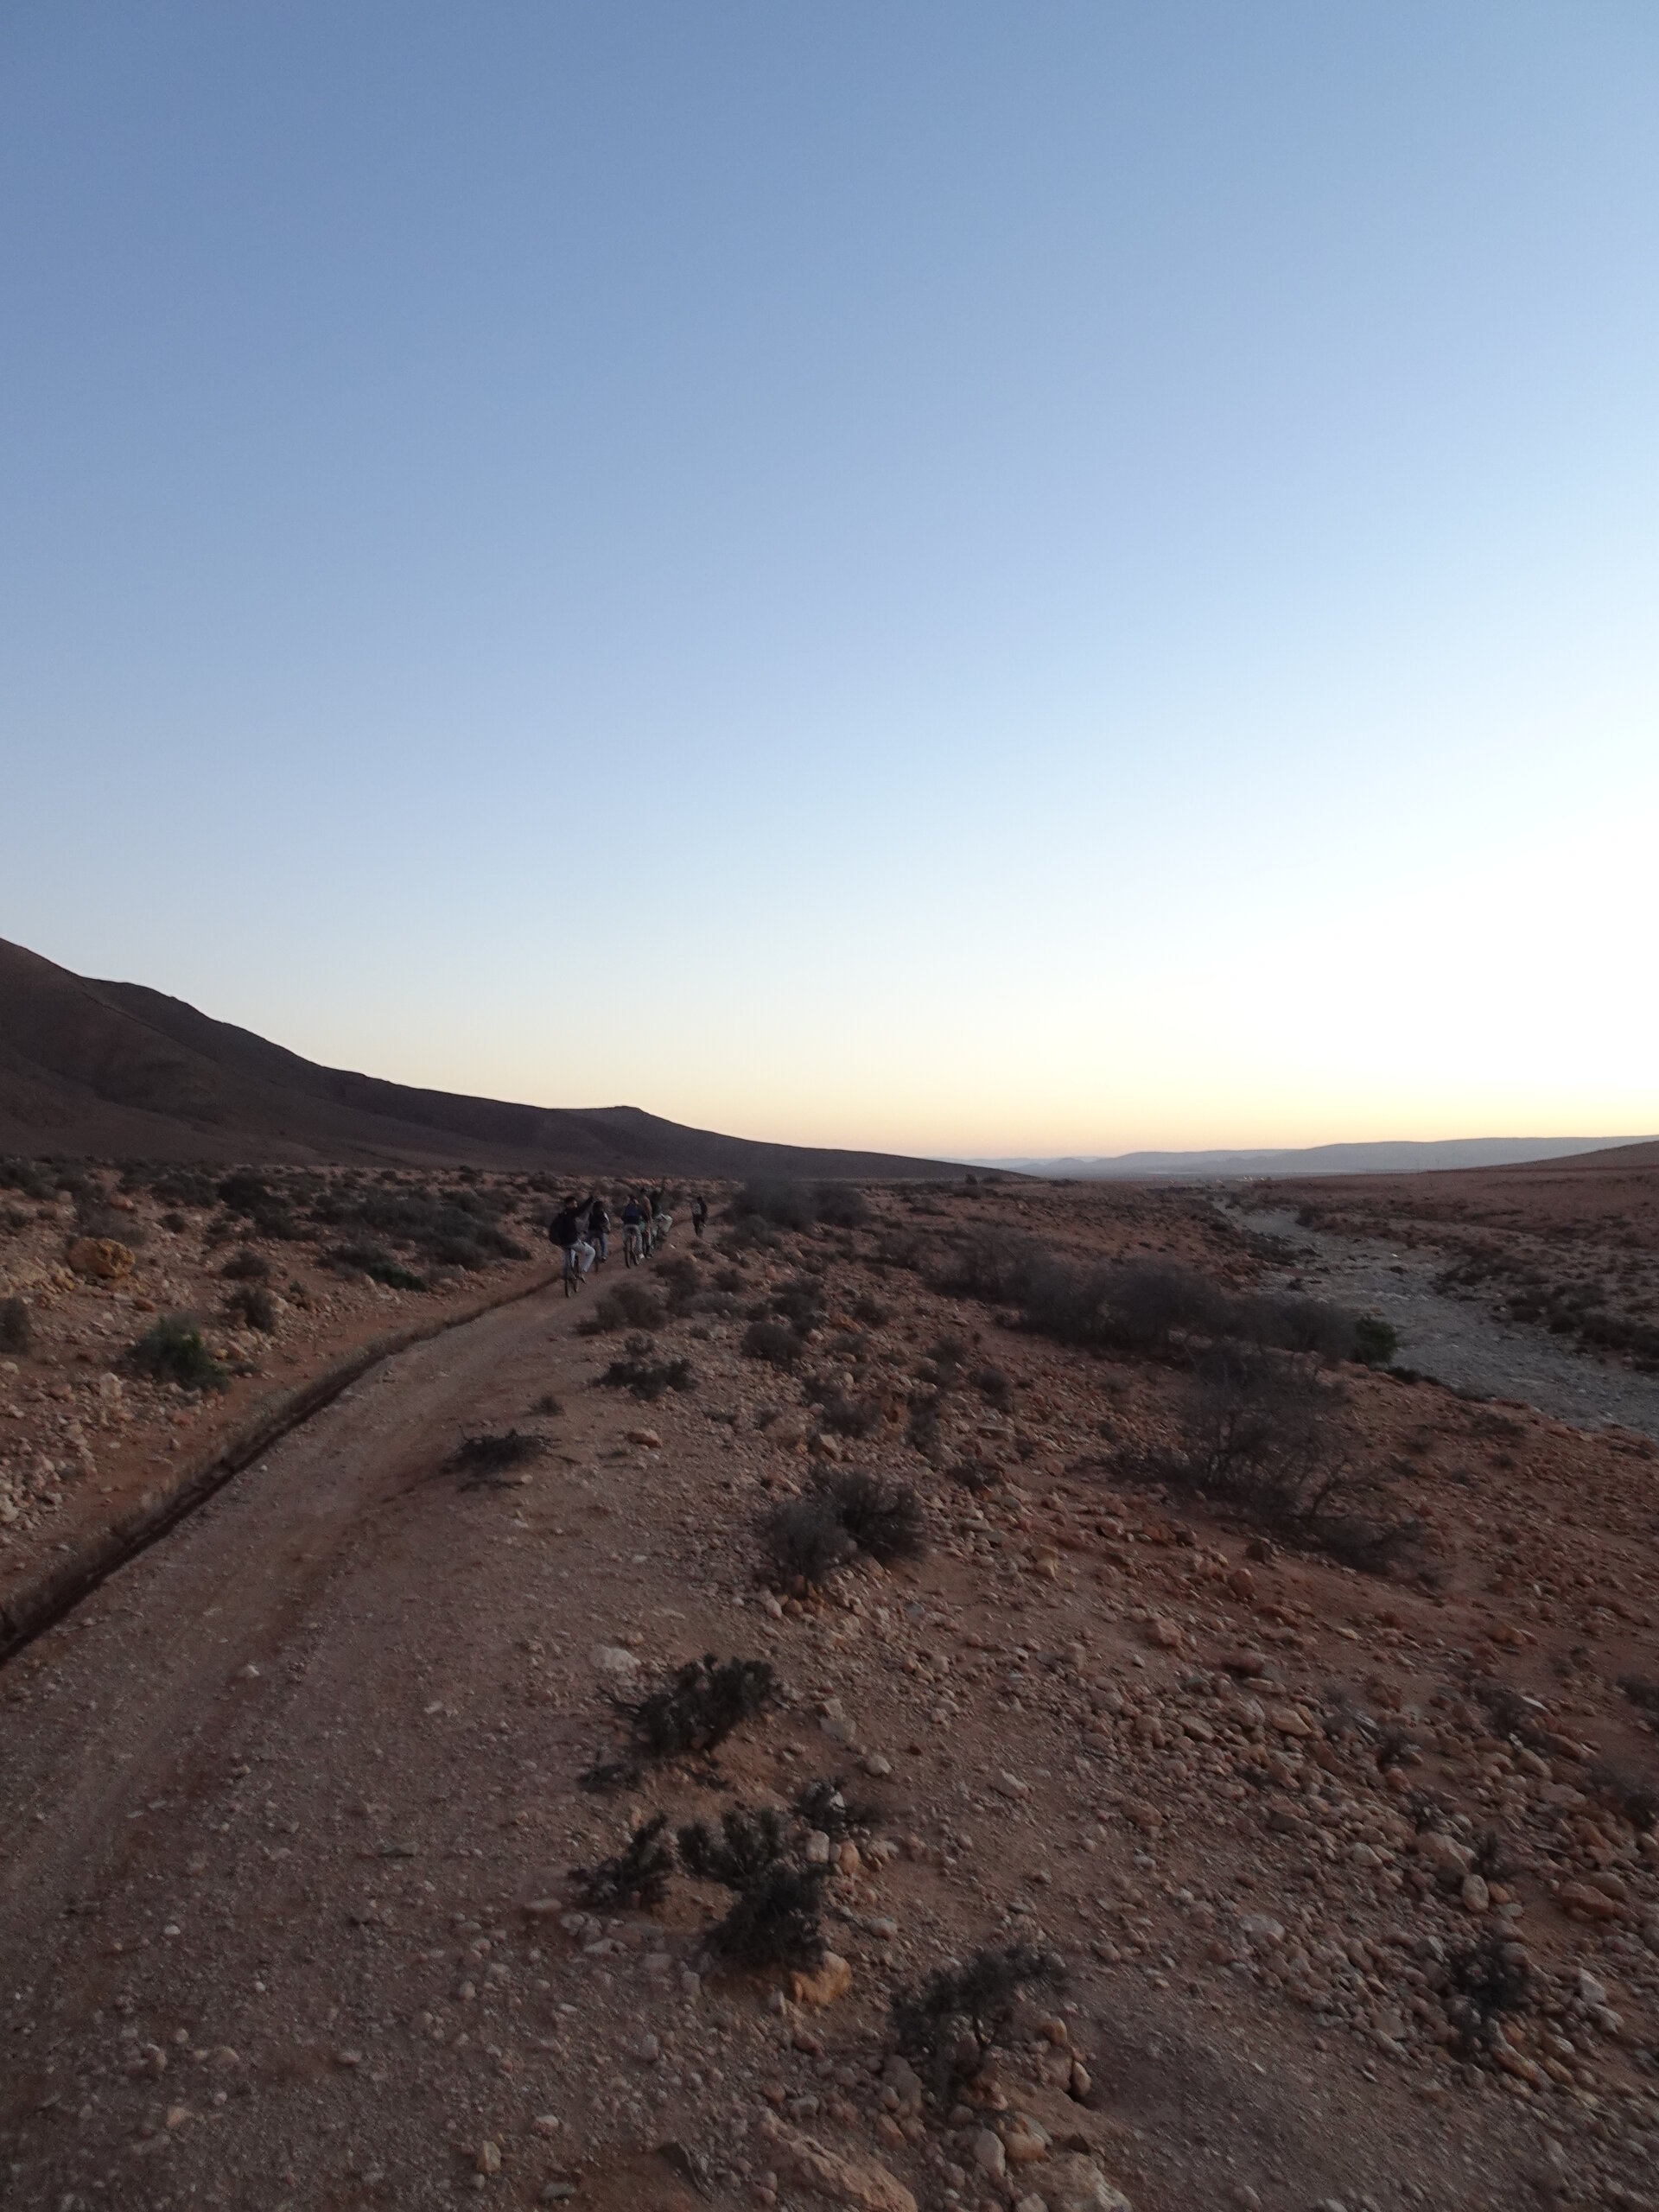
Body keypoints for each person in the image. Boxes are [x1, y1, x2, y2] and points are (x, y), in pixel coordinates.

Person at [620, 1195, 645, 1267]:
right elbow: (644, 1215)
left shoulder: (627, 1207)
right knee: (639, 1236)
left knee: (624, 1234)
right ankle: (639, 1252)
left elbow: (622, 1217)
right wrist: (646, 1220)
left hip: (627, 1225)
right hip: (635, 1225)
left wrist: (625, 1220)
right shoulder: (638, 1207)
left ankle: (626, 1244)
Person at [586, 1195, 610, 1266]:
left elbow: (586, 1222)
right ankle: (604, 1256)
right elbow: (607, 1222)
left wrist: (585, 1230)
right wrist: (607, 1229)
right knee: (603, 1242)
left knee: (589, 1241)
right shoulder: (603, 1213)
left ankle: (589, 1254)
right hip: (600, 1231)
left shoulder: (590, 1213)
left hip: (591, 1230)